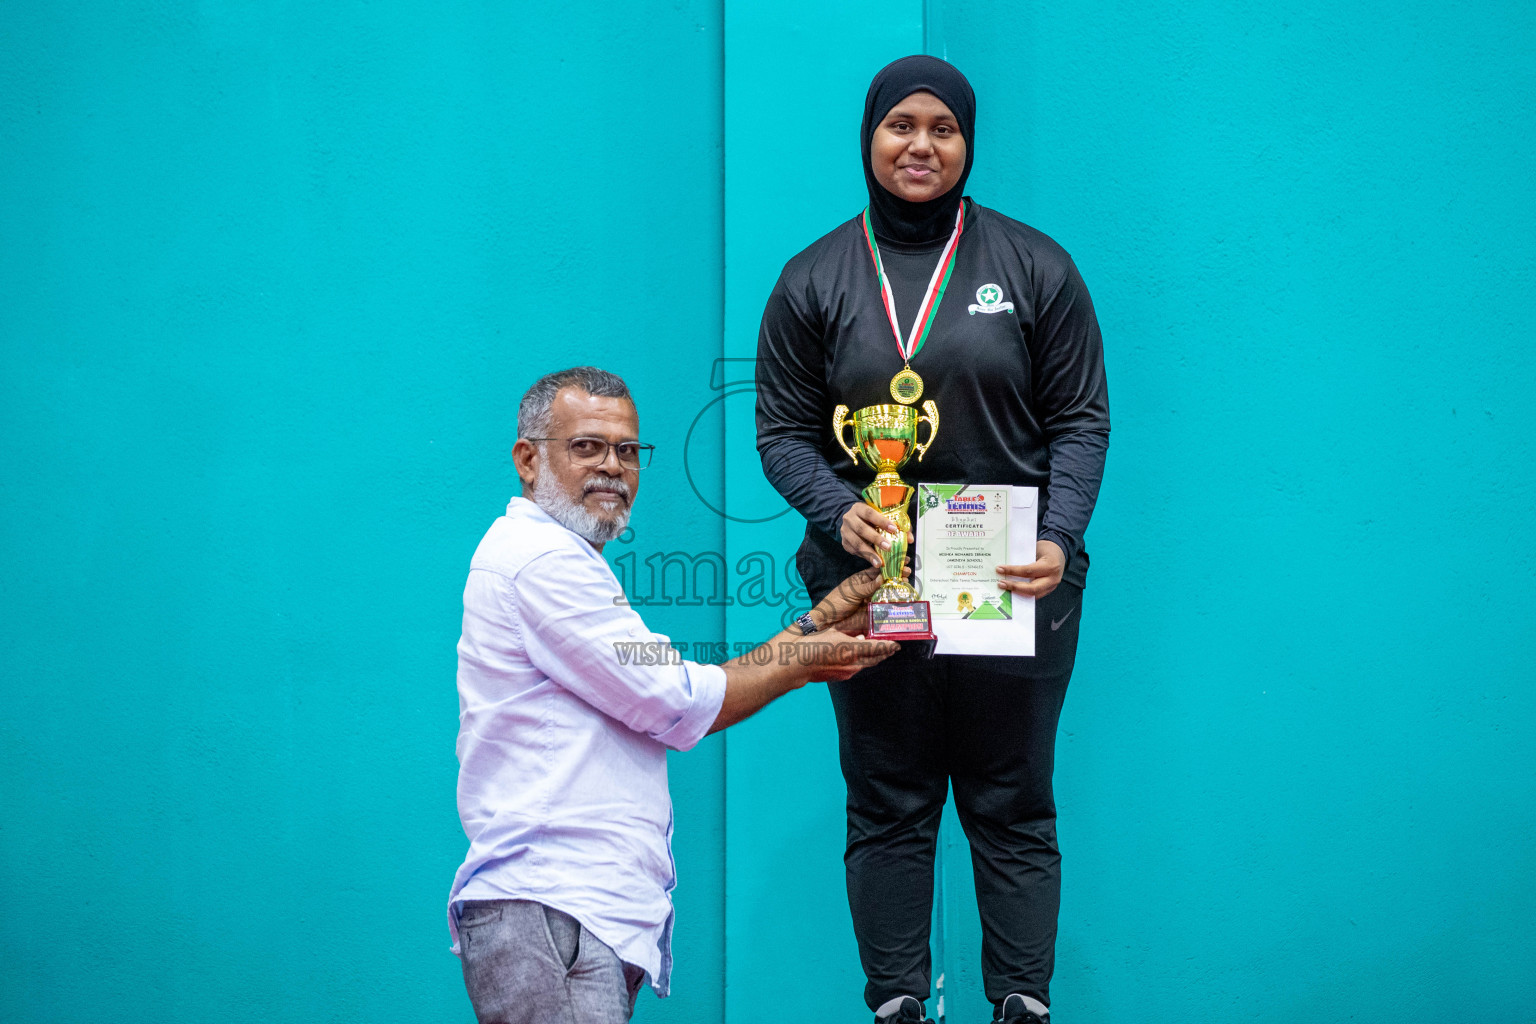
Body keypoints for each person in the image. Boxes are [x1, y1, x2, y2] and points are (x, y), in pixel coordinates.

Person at [755, 56, 1110, 1024]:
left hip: (1012, 581)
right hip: (868, 586)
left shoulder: (1035, 266)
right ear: (870, 137)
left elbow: (1080, 418)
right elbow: (781, 432)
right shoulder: (814, 276)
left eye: (942, 129)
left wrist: (1062, 536)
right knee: (889, 802)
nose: (920, 145)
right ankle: (899, 1003)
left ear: (967, 143)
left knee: (1012, 803)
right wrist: (838, 509)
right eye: (900, 125)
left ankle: (1022, 1003)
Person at [446, 365, 898, 1024]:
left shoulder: (557, 556)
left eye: (628, 451)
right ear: (527, 459)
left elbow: (659, 685)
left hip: (567, 913)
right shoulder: (540, 560)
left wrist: (811, 627)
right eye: (587, 447)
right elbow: (672, 698)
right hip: (553, 910)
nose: (613, 467)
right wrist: (805, 655)